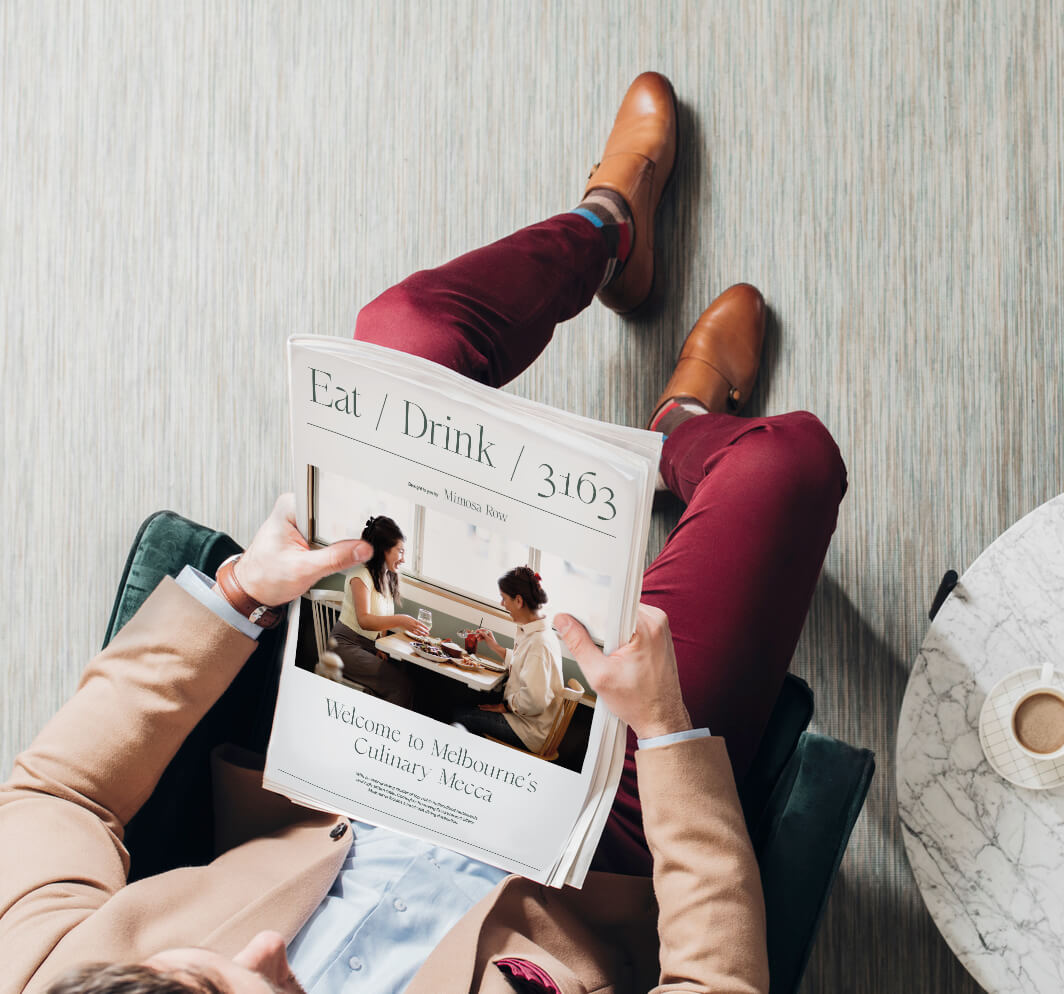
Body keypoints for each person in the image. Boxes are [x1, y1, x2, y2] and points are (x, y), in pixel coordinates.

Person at [0, 71, 847, 994]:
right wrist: (667, 731)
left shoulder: (52, 975)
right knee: (786, 467)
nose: (261, 952)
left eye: (199, 975)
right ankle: (681, 425)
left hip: (349, 753)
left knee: (399, 333)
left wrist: (243, 589)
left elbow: (54, 794)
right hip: (592, 831)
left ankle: (608, 228)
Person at [454, 566, 565, 751]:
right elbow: (526, 666)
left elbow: (535, 701)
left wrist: (505, 706)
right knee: (462, 702)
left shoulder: (539, 643)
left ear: (519, 600)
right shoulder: (535, 632)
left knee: (461, 716)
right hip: (526, 721)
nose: (502, 604)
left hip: (528, 731)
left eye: (504, 598)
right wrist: (496, 648)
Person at [327, 514, 427, 705]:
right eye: (400, 551)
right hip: (345, 646)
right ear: (384, 550)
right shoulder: (360, 573)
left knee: (407, 678)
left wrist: (380, 642)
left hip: (367, 647)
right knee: (402, 685)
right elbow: (364, 619)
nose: (404, 559)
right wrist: (402, 620)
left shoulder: (385, 577)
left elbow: (380, 618)